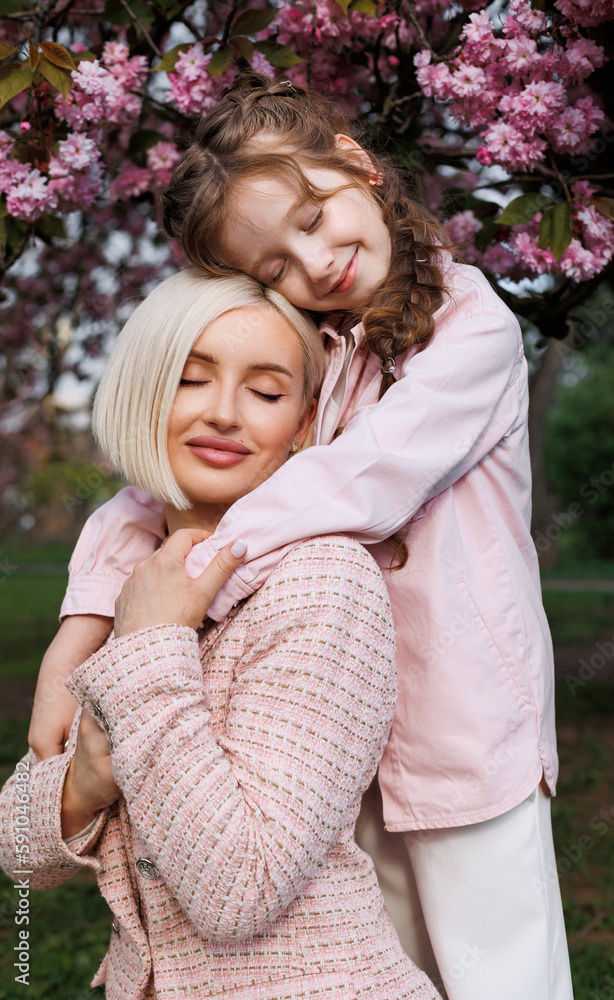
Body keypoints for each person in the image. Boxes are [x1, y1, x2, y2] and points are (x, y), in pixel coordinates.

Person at [27, 77, 574, 999]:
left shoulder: (467, 326)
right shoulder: (316, 345)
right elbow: (155, 493)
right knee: (391, 961)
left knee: (498, 970)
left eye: (315, 218)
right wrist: (84, 618)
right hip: (333, 724)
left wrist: (189, 583)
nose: (313, 264)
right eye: (275, 266)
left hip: (463, 720)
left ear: (358, 165)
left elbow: (360, 479)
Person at [0, 269, 442, 1000]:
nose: (225, 414)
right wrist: (86, 778)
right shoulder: (129, 583)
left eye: (266, 392)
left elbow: (237, 891)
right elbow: (21, 851)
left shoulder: (322, 583)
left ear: (302, 424)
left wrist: (149, 649)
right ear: (143, 393)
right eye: (191, 380)